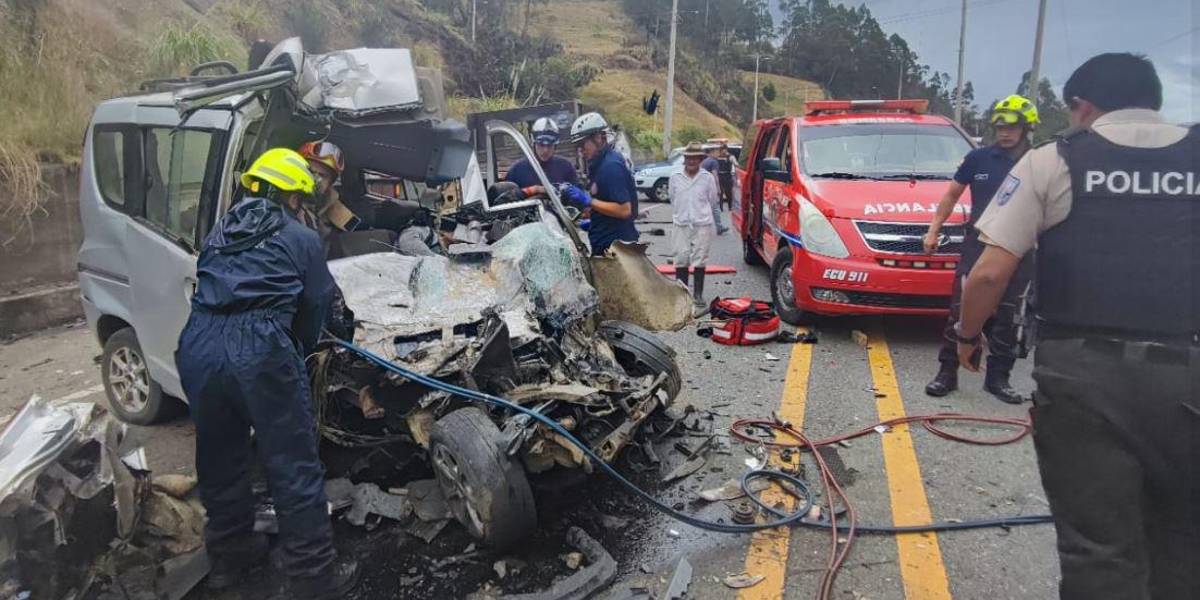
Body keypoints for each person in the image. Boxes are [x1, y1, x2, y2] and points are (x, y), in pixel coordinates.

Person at [956, 53, 1198, 599]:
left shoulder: (1054, 161)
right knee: (1185, 540)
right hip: (1190, 375)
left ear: (1083, 107)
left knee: (1100, 550)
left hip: (1086, 380)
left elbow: (990, 273)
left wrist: (967, 337)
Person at [174, 148, 358, 599]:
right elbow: (316, 309)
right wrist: (300, 349)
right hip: (258, 349)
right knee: (293, 465)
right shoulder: (301, 238)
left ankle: (229, 557)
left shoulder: (220, 229)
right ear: (293, 196)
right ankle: (313, 580)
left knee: (220, 457)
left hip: (198, 344)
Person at [923, 95, 1039, 404]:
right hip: (979, 244)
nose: (1004, 133)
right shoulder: (979, 159)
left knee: (1011, 315)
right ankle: (947, 373)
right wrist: (934, 229)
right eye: (999, 127)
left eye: (1012, 128)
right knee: (960, 310)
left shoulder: (1040, 162)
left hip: (1021, 248)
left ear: (1027, 128)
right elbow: (950, 195)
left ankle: (998, 378)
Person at [568, 112, 639, 255]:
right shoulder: (600, 165)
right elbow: (607, 201)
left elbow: (624, 210)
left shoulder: (610, 166)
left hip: (616, 249)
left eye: (583, 145)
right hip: (607, 244)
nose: (581, 151)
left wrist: (589, 201)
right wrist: (595, 222)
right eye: (578, 147)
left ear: (599, 138)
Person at [669, 142, 719, 309]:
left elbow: (713, 200)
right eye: (689, 158)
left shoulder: (708, 178)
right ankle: (682, 295)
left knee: (699, 259)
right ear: (685, 159)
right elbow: (672, 197)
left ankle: (698, 294)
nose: (692, 161)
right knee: (681, 257)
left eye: (695, 158)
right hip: (681, 222)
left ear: (700, 159)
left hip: (702, 223)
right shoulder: (675, 177)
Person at [505, 117, 579, 191]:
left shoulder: (565, 167)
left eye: (549, 146)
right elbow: (507, 197)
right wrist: (533, 190)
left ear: (555, 145)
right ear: (534, 143)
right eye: (541, 145)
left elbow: (578, 193)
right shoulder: (517, 170)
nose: (545, 150)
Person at [700, 144, 729, 235]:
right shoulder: (714, 162)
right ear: (712, 152)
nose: (718, 154)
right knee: (715, 208)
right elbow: (715, 175)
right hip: (710, 187)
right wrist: (718, 188)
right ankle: (719, 227)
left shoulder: (705, 161)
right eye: (716, 152)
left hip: (702, 186)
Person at [716, 143, 736, 212]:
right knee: (720, 192)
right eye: (721, 150)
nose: (722, 151)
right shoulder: (718, 157)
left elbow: (736, 164)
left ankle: (730, 207)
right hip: (720, 176)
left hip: (727, 175)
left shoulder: (730, 157)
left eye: (724, 149)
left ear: (726, 149)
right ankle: (721, 208)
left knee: (728, 192)